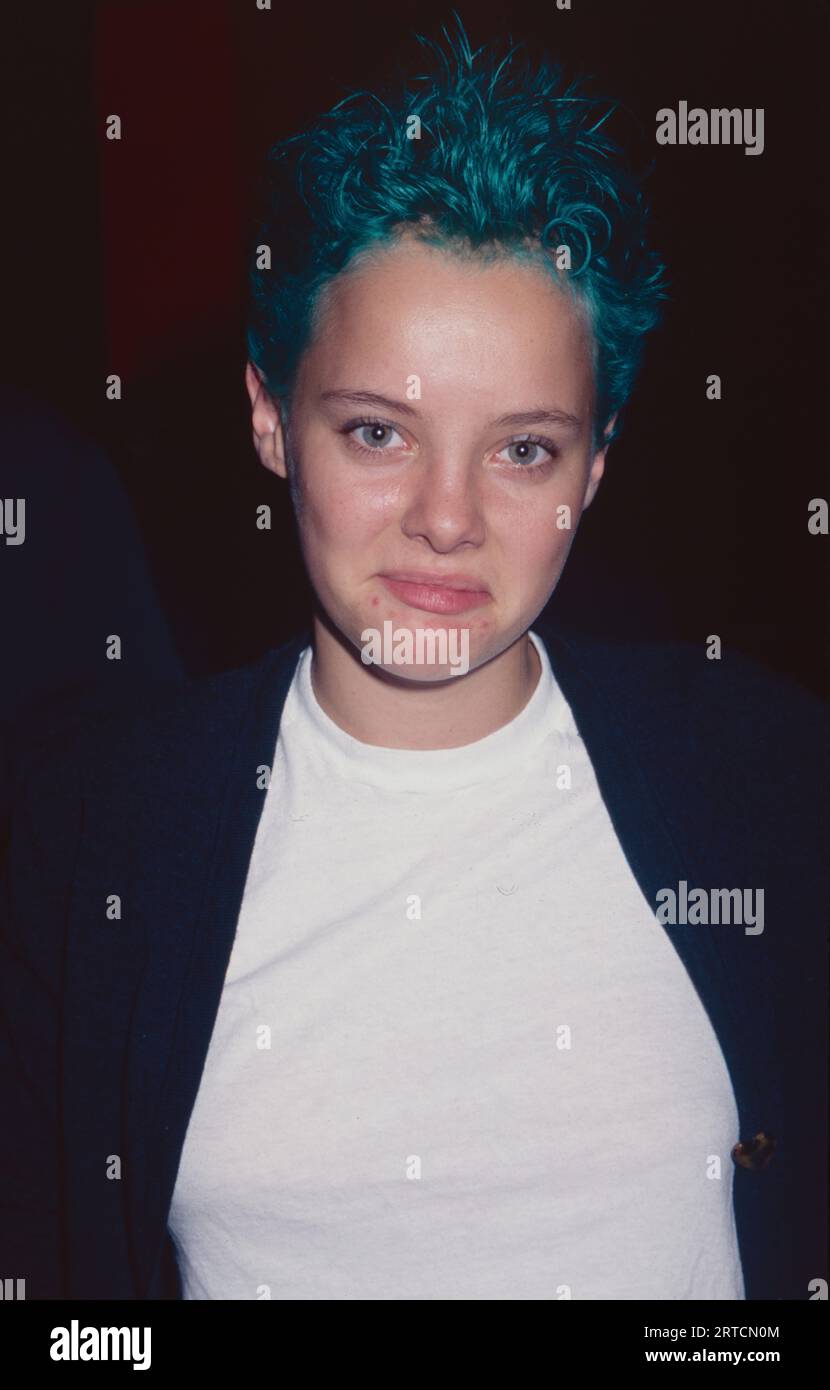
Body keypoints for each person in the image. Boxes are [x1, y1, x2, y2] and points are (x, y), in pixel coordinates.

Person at [1, 20, 826, 1302]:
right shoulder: (91, 843)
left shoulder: (769, 780)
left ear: (595, 465)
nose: (446, 518)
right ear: (271, 417)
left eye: (522, 449)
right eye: (379, 431)